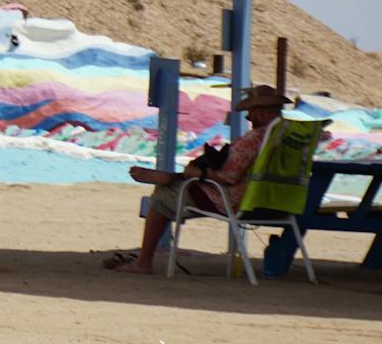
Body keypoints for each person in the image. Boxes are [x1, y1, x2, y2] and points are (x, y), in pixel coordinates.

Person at [113, 84, 291, 275]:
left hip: (235, 200)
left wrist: (197, 174)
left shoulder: (254, 138)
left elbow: (229, 177)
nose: (248, 118)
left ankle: (144, 262)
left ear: (261, 111)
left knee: (161, 196)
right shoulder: (288, 138)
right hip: (277, 201)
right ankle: (172, 178)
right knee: (180, 184)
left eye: (251, 113)